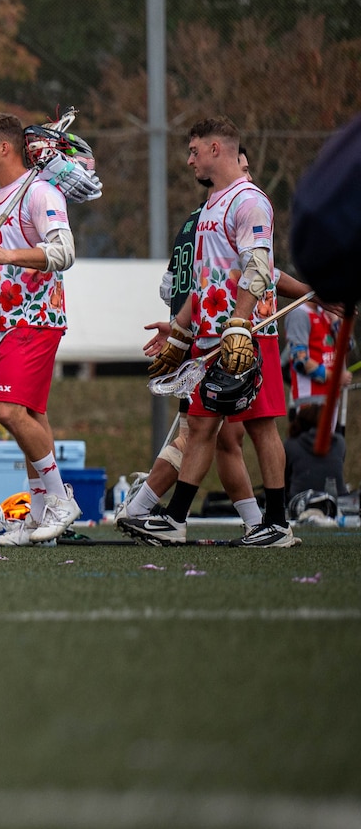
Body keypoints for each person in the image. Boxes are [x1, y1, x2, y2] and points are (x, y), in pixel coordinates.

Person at [129, 116, 294, 548]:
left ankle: (276, 524)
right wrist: (182, 331)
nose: (189, 161)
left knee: (261, 427)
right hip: (210, 338)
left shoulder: (249, 200)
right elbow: (205, 280)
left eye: (194, 151)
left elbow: (258, 268)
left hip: (249, 335)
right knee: (200, 427)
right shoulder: (210, 206)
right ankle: (175, 519)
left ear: (216, 150)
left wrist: (239, 324)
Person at [117, 162, 266, 538]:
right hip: (213, 337)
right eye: (242, 168)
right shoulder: (224, 217)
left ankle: (255, 522)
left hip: (191, 334)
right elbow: (251, 274)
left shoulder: (192, 221)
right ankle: (141, 509)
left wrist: (179, 326)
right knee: (199, 434)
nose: (247, 175)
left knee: (221, 438)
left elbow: (169, 287)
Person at [0, 112, 82, 546]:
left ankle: (59, 499)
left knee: (8, 412)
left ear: (5, 148)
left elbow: (64, 252)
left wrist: (7, 254)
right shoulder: (2, 198)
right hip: (8, 325)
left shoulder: (42, 191)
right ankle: (37, 516)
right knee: (31, 416)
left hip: (35, 320)